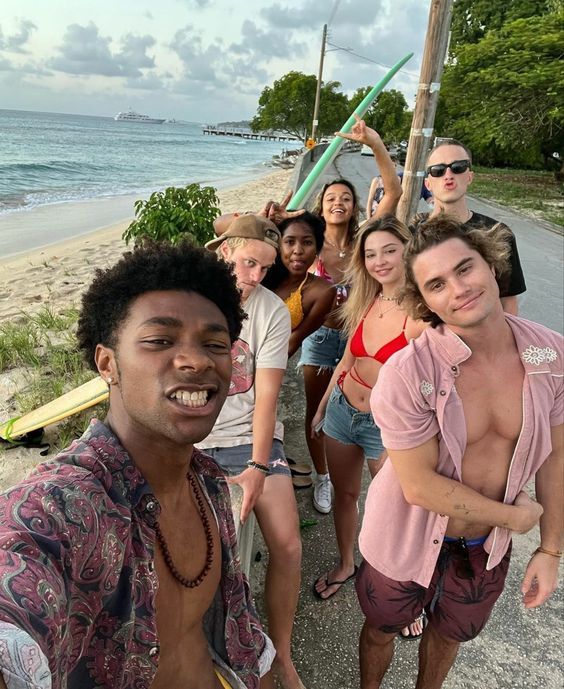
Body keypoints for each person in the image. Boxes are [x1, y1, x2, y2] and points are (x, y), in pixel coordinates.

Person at [0, 241, 276, 689]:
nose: (196, 359)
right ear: (107, 362)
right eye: (160, 340)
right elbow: (20, 562)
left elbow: (237, 628)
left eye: (215, 343)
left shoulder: (209, 483)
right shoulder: (68, 503)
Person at [355, 216, 563, 689]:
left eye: (465, 268)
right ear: (424, 301)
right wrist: (515, 520)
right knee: (381, 627)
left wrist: (550, 550)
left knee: (450, 637)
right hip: (403, 541)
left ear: (492, 266)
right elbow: (419, 485)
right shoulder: (409, 373)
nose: (458, 288)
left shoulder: (550, 357)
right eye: (436, 284)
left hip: (482, 549)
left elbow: (555, 458)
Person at [198, 215, 304, 689]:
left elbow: (266, 399)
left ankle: (280, 653)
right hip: (194, 441)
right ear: (225, 254)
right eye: (247, 264)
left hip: (248, 438)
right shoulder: (193, 300)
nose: (255, 277)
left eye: (264, 268)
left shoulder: (272, 312)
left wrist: (260, 465)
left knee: (287, 543)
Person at [310, 215, 426, 603]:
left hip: (385, 426)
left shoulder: (421, 313)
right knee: (346, 495)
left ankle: (400, 589)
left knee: (397, 509)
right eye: (371, 254)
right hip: (344, 412)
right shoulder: (366, 298)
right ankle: (347, 563)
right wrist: (324, 405)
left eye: (390, 250)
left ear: (408, 250)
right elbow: (346, 359)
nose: (380, 261)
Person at [300, 116, 403, 515]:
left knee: (371, 413)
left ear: (353, 205)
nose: (338, 203)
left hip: (363, 338)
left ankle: (375, 485)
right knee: (316, 413)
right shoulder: (308, 245)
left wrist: (374, 142)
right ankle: (322, 476)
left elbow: (393, 190)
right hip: (321, 338)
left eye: (345, 197)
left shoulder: (365, 240)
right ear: (321, 208)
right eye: (330, 199)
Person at [414, 138, 526, 315]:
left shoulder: (498, 232)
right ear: (428, 183)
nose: (448, 175)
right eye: (438, 171)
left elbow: (507, 301)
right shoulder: (413, 235)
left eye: (458, 167)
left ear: (469, 176)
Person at [261, 211, 335, 358]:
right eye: (289, 242)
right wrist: (259, 219)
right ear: (279, 245)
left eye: (307, 242)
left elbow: (292, 343)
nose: (298, 251)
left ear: (317, 249)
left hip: (266, 367)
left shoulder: (322, 292)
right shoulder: (258, 271)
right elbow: (219, 226)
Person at [367, 170, 432, 218]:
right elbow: (371, 200)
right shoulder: (403, 176)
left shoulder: (423, 186)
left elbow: (429, 199)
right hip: (385, 216)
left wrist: (435, 207)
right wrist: (369, 218)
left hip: (406, 217)